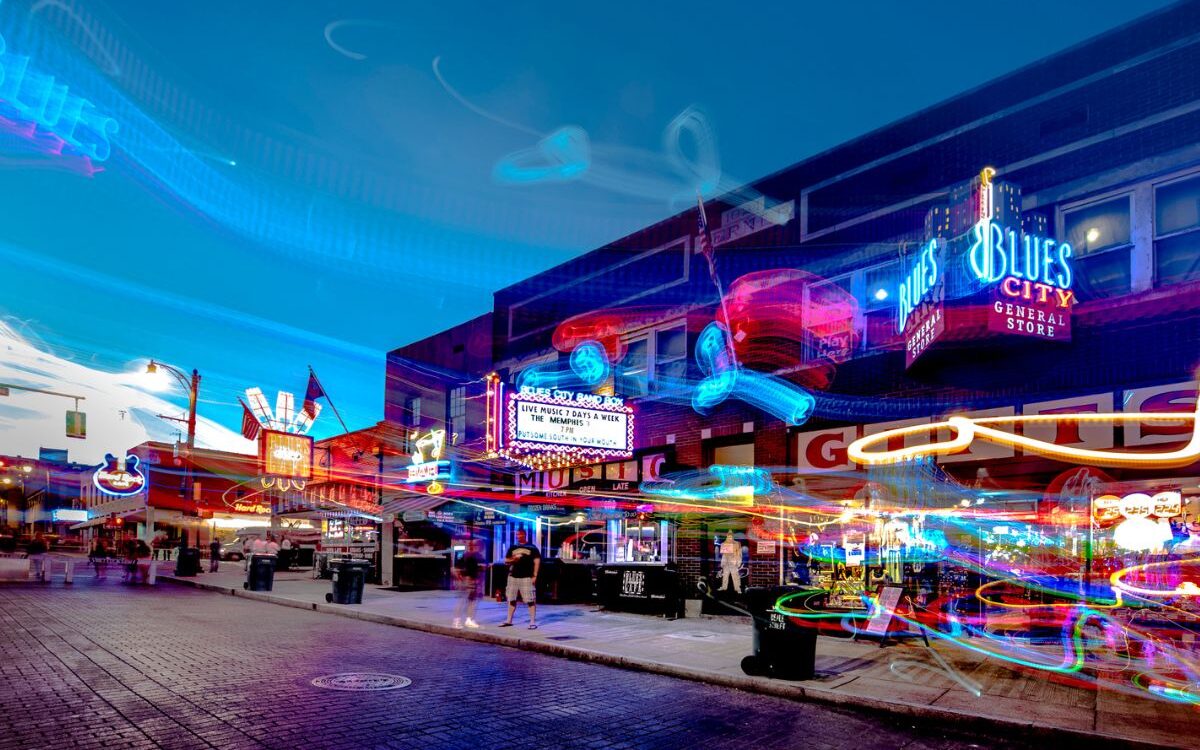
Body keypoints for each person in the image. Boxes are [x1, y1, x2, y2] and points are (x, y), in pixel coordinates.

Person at [500, 530, 540, 629]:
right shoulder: (513, 547)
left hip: (527, 577)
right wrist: (514, 559)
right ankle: (509, 620)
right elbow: (506, 561)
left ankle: (532, 622)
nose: (519, 536)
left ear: (525, 535)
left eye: (521, 534)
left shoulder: (532, 547)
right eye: (517, 534)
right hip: (513, 576)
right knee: (511, 599)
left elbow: (537, 561)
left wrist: (535, 575)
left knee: (530, 599)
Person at [453, 539, 483, 629]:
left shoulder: (469, 555)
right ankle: (457, 621)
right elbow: (458, 569)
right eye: (478, 546)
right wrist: (462, 578)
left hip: (470, 580)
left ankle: (468, 620)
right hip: (469, 580)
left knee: (470, 601)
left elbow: (456, 568)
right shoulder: (470, 556)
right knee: (465, 601)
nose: (480, 548)